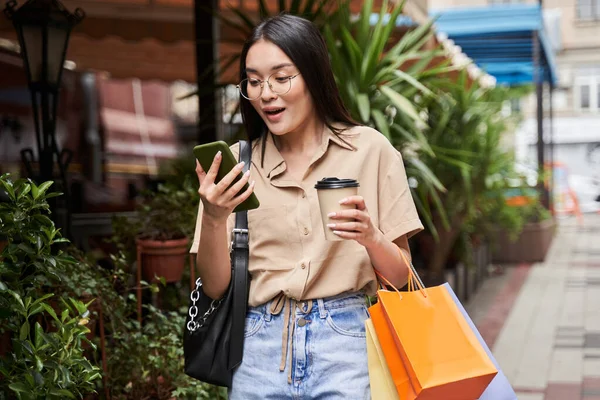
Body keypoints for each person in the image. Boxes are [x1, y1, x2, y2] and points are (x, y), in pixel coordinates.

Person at [191, 13, 423, 399]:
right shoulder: (236, 166)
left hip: (346, 347)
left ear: (313, 75)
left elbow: (402, 278)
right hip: (256, 351)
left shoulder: (370, 150)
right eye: (253, 81)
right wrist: (215, 219)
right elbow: (215, 288)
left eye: (282, 78)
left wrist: (371, 237)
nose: (266, 93)